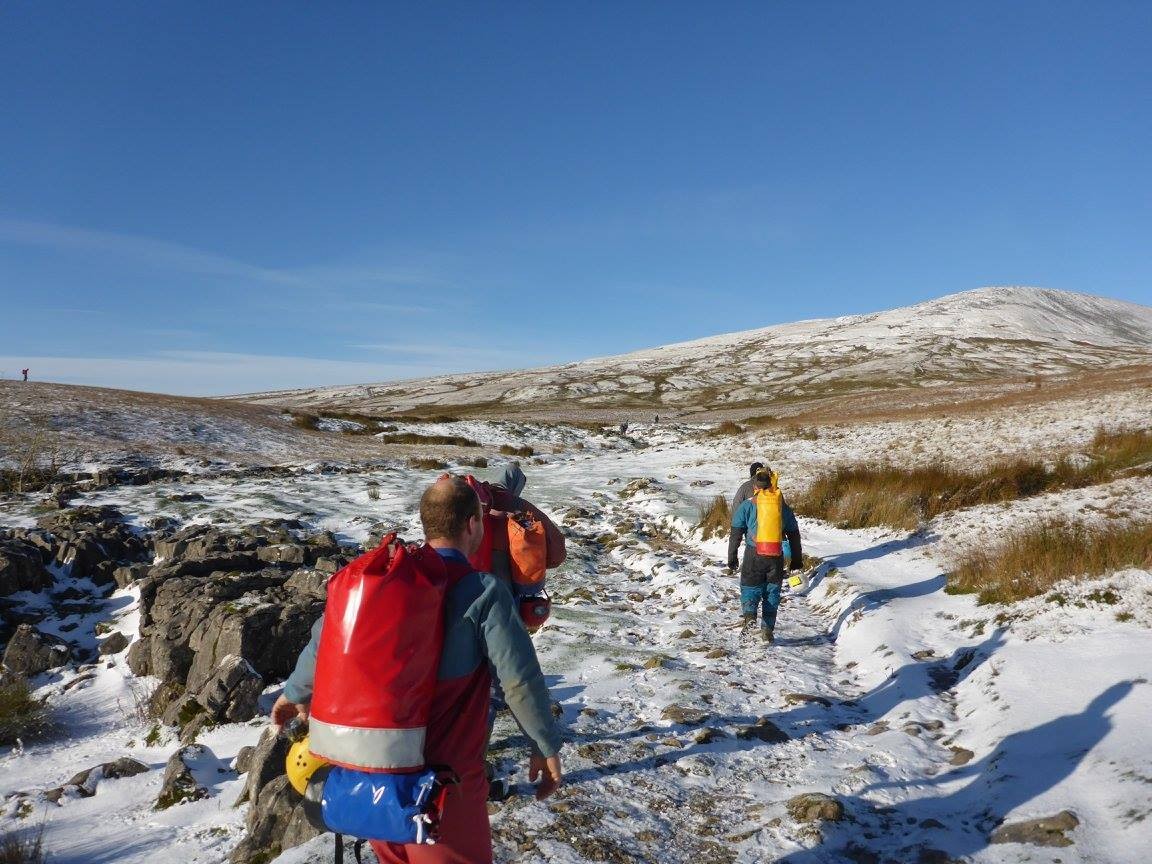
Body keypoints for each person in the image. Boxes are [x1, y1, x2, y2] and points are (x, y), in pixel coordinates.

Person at [271, 475, 563, 864]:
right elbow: (519, 681)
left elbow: (326, 637)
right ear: (473, 524)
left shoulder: (387, 579)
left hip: (373, 774)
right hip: (443, 785)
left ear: (426, 523)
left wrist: (293, 694)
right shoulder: (483, 592)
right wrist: (544, 745)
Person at [727, 468, 803, 643]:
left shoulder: (747, 506)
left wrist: (732, 558)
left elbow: (735, 533)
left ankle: (750, 619)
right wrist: (796, 561)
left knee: (750, 588)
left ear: (755, 486)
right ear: (772, 484)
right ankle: (767, 630)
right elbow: (794, 534)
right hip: (775, 556)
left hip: (753, 555)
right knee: (772, 592)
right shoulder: (781, 507)